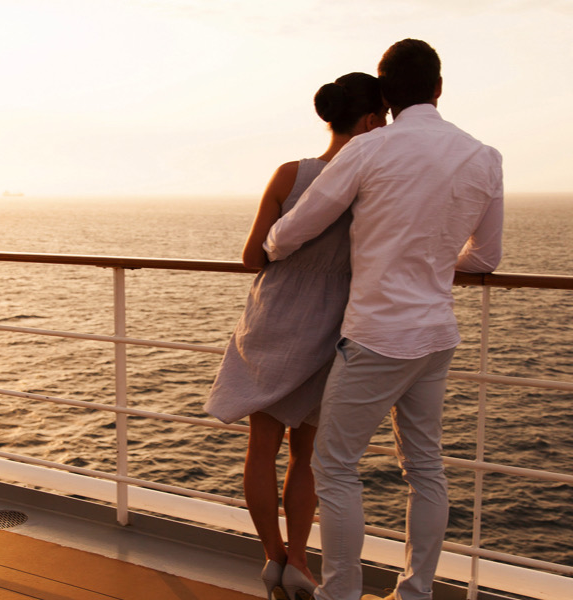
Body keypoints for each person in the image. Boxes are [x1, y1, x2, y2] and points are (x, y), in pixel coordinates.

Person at [264, 39, 504, 600]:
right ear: (439, 88)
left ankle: (340, 594)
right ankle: (414, 593)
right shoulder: (484, 156)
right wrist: (434, 263)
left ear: (387, 95)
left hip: (377, 337)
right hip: (436, 335)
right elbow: (486, 258)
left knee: (334, 466)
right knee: (425, 468)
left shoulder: (370, 149)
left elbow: (297, 226)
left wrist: (272, 246)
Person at [205, 72, 387, 600]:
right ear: (370, 121)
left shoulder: (290, 174)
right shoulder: (371, 184)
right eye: (384, 119)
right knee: (306, 454)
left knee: (260, 447)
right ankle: (300, 562)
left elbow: (252, 257)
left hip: (271, 319)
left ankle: (273, 558)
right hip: (330, 327)